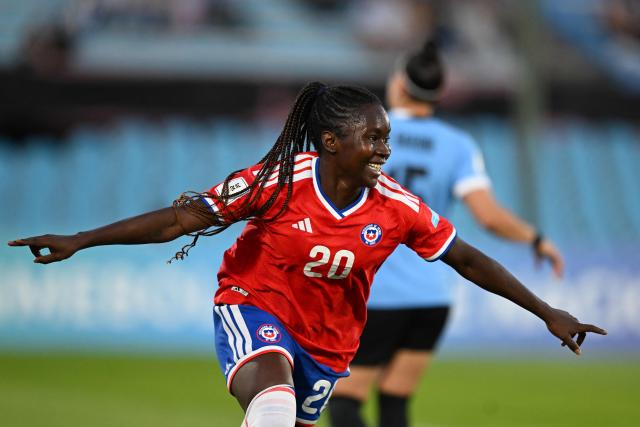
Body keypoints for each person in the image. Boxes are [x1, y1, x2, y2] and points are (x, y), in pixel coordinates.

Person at [8, 82, 604, 427]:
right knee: (272, 397)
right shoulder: (275, 181)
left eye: (386, 137)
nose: (383, 148)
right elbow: (178, 218)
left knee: (285, 415)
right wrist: (80, 240)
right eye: (372, 137)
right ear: (331, 142)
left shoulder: (397, 207)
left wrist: (546, 310)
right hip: (253, 306)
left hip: (330, 343)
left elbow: (468, 259)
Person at [328, 41, 565, 427]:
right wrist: (535, 239)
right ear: (438, 93)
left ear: (400, 84)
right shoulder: (458, 145)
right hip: (432, 294)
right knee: (395, 399)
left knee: (344, 401)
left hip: (376, 290)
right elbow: (487, 216)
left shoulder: (367, 134)